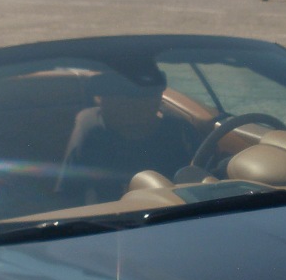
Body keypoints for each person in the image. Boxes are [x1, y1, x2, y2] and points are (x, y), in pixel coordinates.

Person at [57, 67, 194, 204]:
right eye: (120, 94)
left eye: (143, 95)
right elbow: (69, 198)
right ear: (100, 100)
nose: (132, 105)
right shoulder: (91, 131)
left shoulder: (177, 129)